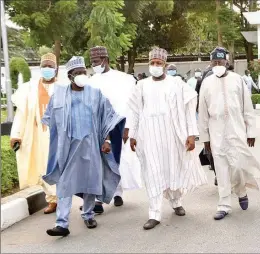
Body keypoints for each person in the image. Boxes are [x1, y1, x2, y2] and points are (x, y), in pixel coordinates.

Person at [43, 56, 125, 236]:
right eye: (77, 73)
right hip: (67, 148)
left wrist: (106, 140)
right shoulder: (58, 96)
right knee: (64, 184)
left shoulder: (96, 94)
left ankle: (88, 214)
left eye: (83, 72)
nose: (81, 75)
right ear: (70, 76)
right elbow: (50, 119)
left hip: (91, 146)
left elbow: (109, 117)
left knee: (90, 181)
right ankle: (62, 224)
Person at [126, 47, 208, 230]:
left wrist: (191, 134)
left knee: (174, 169)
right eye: (152, 63)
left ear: (164, 65)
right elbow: (134, 112)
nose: (155, 66)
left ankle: (176, 202)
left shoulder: (176, 84)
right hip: (149, 138)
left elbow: (189, 109)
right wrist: (132, 134)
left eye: (159, 63)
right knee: (153, 172)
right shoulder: (141, 86)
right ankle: (154, 214)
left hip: (173, 136)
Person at [198, 47, 260, 220]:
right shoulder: (206, 82)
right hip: (216, 132)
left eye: (221, 62)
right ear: (211, 63)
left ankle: (241, 191)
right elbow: (203, 113)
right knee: (221, 169)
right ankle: (224, 204)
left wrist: (251, 131)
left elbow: (247, 108)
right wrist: (205, 138)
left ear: (227, 62)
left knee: (237, 166)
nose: (218, 64)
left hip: (236, 130)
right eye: (215, 62)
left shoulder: (238, 80)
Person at [88, 46, 142, 211]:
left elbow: (132, 105)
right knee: (99, 161)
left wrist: (128, 127)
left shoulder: (125, 79)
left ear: (106, 60)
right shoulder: (91, 82)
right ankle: (98, 199)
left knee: (117, 160)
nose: (94, 65)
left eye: (96, 61)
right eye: (92, 62)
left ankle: (117, 192)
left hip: (119, 125)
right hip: (99, 126)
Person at [10, 53, 60, 214]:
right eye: (44, 66)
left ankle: (62, 199)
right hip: (38, 135)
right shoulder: (29, 88)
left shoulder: (63, 88)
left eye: (50, 66)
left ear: (56, 69)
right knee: (41, 169)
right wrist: (16, 134)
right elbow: (21, 114)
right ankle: (52, 199)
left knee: (62, 167)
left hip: (59, 134)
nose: (47, 69)